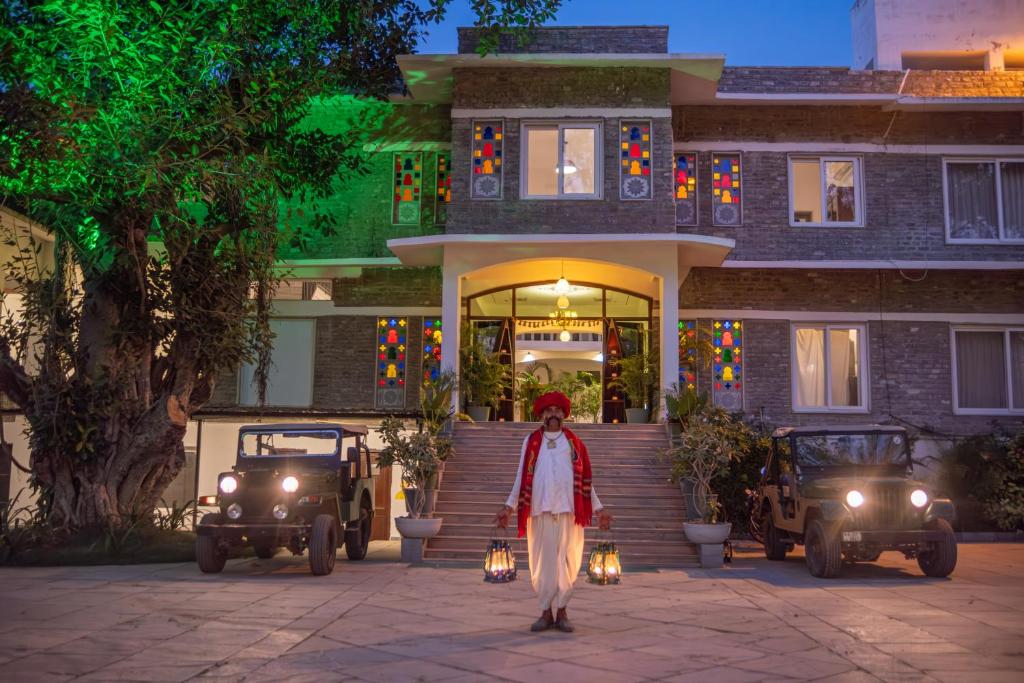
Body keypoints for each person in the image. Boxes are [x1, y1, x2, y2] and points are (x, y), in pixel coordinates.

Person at [495, 391, 614, 633]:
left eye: (557, 410)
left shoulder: (574, 444)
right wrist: (509, 507)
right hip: (540, 511)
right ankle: (545, 612)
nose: (553, 414)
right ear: (540, 415)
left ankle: (562, 611)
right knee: (542, 564)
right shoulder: (530, 442)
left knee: (568, 563)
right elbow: (520, 476)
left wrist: (599, 508)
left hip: (570, 512)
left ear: (564, 414)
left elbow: (586, 482)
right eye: (548, 410)